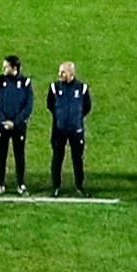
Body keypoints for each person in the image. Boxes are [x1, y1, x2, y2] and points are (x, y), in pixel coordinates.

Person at [44, 61, 91, 192]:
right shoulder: (54, 87)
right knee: (57, 158)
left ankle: (79, 185)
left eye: (63, 72)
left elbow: (87, 107)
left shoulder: (82, 88)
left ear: (71, 73)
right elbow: (50, 105)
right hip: (59, 129)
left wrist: (76, 118)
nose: (60, 74)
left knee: (77, 158)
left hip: (76, 129)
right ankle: (56, 186)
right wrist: (60, 117)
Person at [0, 55, 30, 194]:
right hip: (2, 125)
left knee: (19, 154)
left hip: (19, 125)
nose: (3, 69)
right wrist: (2, 120)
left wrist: (16, 121)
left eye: (6, 66)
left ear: (14, 68)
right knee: (1, 154)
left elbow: (28, 105)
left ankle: (21, 183)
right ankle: (0, 183)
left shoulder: (25, 82)